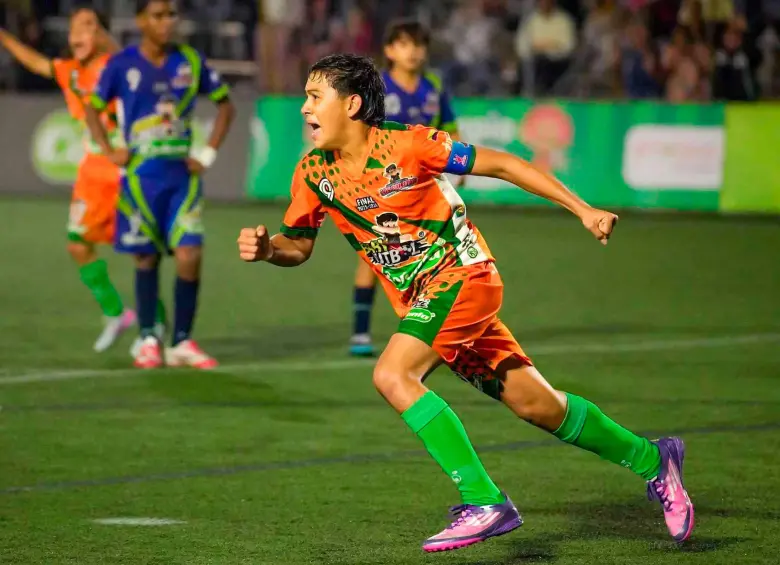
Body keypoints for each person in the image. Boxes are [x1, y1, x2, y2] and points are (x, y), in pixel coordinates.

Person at [237, 54, 695, 552]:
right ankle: (655, 460)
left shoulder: (409, 143)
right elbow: (297, 245)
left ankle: (484, 500)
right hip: (429, 302)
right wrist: (268, 251)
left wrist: (582, 209)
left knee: (393, 374)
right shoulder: (312, 172)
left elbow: (503, 163)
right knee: (537, 405)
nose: (304, 106)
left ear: (351, 104)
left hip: (463, 277)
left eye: (313, 95)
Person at [85, 0, 235, 369]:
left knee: (190, 254)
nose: (166, 23)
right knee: (146, 257)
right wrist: (108, 149)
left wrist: (208, 155)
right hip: (140, 180)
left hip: (182, 179)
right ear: (140, 21)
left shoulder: (191, 61)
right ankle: (149, 336)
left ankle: (182, 340)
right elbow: (92, 106)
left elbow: (225, 106)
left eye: (171, 15)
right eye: (157, 16)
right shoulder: (121, 65)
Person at [0, 7, 145, 352]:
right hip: (93, 171)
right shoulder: (70, 72)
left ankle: (153, 332)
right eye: (74, 29)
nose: (79, 35)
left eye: (88, 28)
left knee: (141, 251)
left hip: (126, 168)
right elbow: (36, 64)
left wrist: (97, 32)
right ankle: (116, 312)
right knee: (78, 244)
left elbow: (120, 51)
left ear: (101, 34)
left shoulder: (115, 65)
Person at [350, 19, 463, 357]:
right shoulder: (376, 86)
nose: (412, 51)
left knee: (436, 253)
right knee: (377, 256)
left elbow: (450, 126)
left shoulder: (433, 87)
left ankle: (433, 325)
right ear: (389, 51)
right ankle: (359, 332)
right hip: (383, 184)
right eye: (403, 44)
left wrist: (459, 162)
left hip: (427, 185)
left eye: (418, 45)